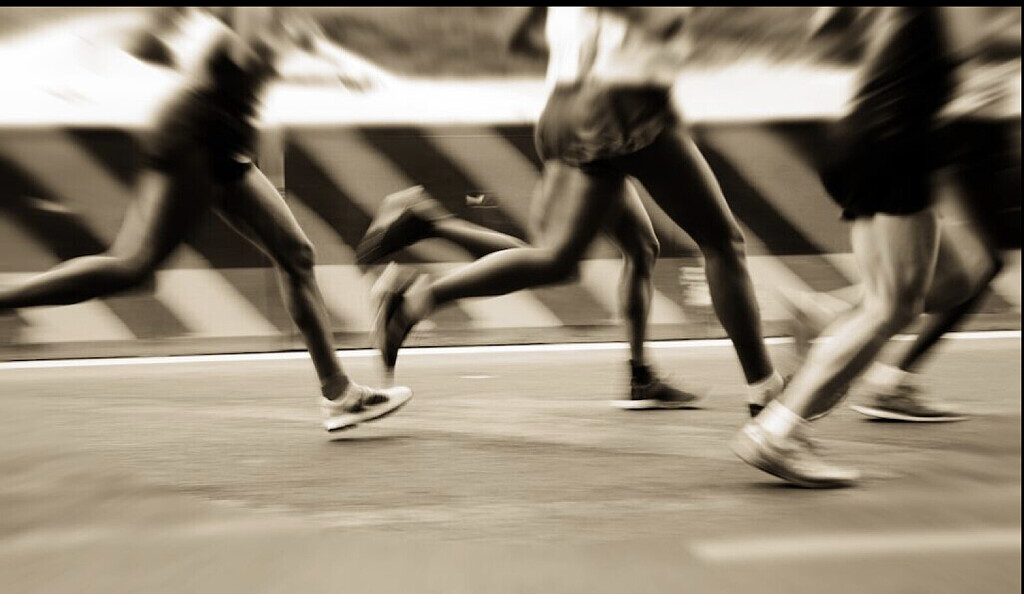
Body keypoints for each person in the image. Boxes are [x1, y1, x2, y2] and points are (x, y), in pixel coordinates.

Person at [0, 7, 412, 433]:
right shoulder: (258, 14)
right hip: (196, 135)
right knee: (135, 265)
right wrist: (318, 67)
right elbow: (253, 50)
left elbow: (295, 43)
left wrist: (335, 64)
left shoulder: (286, 17)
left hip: (226, 142)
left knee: (296, 255)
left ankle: (339, 395)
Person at [371, 7, 785, 412]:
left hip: (565, 106)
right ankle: (764, 391)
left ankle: (641, 376)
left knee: (620, 250)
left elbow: (518, 33)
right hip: (626, 103)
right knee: (722, 244)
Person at [731, 7, 1004, 487]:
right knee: (892, 307)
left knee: (955, 279)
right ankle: (779, 431)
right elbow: (972, 44)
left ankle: (824, 314)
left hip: (868, 131)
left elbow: (827, 25)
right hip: (896, 140)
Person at [358, 178, 699, 409]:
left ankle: (641, 377)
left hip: (600, 141)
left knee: (640, 248)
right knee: (556, 263)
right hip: (597, 143)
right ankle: (415, 299)